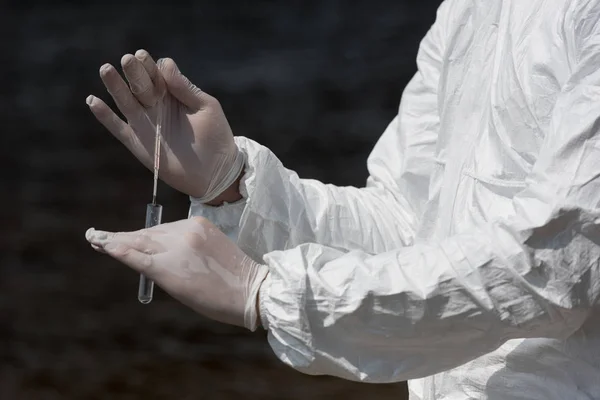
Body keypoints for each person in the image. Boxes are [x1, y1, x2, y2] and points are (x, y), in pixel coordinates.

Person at [84, 0, 600, 398]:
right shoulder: (469, 11)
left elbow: (557, 265)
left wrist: (271, 294)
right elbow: (405, 223)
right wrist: (235, 186)